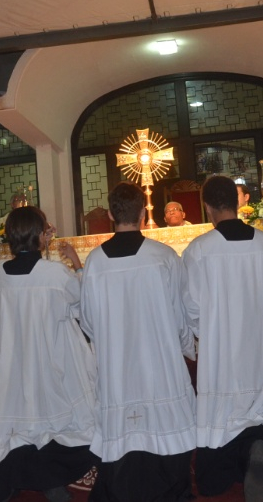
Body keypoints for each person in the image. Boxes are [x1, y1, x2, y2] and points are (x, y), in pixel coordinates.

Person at [183, 176, 263, 502]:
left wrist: (210, 336)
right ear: (237, 201)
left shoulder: (200, 250)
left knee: (229, 417)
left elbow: (190, 307)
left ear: (207, 207)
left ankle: (246, 461)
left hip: (225, 354)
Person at [79, 182, 196, 501]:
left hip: (118, 369)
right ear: (144, 214)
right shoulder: (163, 256)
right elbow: (179, 312)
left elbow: (88, 321)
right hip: (159, 363)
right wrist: (189, 350)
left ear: (111, 214)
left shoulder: (95, 262)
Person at [0, 207, 99, 502]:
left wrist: (42, 247)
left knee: (26, 428)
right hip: (52, 362)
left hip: (18, 361)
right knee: (70, 426)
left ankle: (21, 474)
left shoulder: (1, 273)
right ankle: (52, 477)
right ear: (41, 235)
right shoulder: (55, 273)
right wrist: (76, 266)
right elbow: (81, 300)